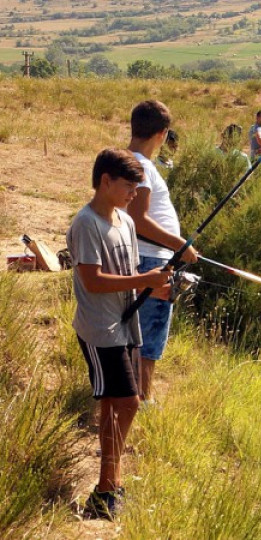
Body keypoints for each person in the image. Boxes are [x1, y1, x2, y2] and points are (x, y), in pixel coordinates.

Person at [68, 148, 172, 520]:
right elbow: (93, 281)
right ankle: (105, 486)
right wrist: (145, 279)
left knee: (116, 403)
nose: (134, 193)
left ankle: (108, 486)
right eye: (128, 186)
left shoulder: (125, 221)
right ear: (105, 181)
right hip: (100, 330)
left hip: (127, 324)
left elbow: (125, 274)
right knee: (128, 401)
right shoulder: (86, 223)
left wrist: (153, 289)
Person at [125, 100, 199, 405]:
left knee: (135, 334)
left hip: (145, 257)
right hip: (152, 259)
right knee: (149, 337)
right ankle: (141, 401)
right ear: (162, 133)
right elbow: (139, 219)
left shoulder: (126, 161)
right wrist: (180, 246)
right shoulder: (141, 165)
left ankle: (129, 397)